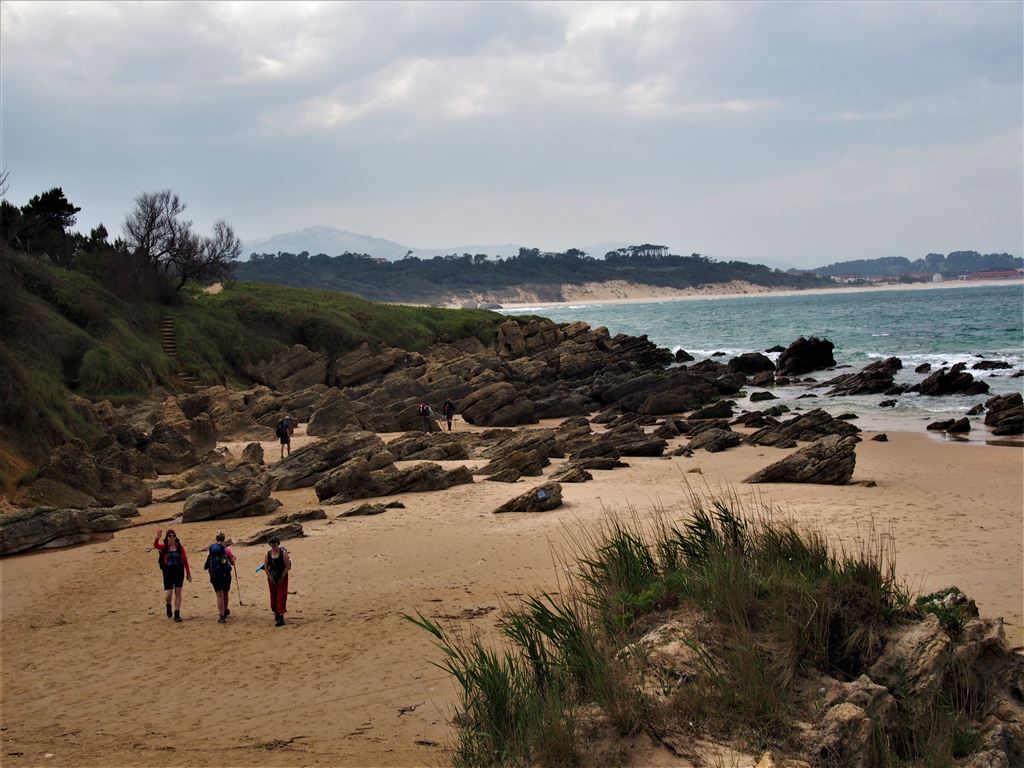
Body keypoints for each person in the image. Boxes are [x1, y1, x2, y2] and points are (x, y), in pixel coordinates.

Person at [154, 528, 192, 622]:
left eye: (173, 536)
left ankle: (177, 613)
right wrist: (157, 537)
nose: (172, 537)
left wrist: (188, 573)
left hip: (178, 571)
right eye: (170, 536)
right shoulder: (165, 547)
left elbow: (185, 561)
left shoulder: (179, 547)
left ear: (175, 537)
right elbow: (156, 545)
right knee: (169, 594)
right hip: (168, 572)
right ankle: (168, 606)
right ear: (167, 537)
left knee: (178, 591)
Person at [204, 532, 236, 623]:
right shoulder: (227, 550)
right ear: (224, 539)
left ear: (216, 539)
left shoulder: (212, 549)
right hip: (225, 574)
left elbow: (208, 561)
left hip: (215, 575)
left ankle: (222, 616)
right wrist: (232, 557)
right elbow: (232, 563)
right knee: (225, 593)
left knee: (219, 595)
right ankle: (225, 610)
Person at [264, 537, 292, 626]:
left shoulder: (283, 554)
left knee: (281, 597)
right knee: (273, 598)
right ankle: (276, 613)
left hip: (282, 577)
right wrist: (270, 578)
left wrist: (282, 577)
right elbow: (265, 567)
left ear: (278, 543)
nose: (273, 544)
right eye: (271, 543)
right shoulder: (268, 554)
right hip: (272, 578)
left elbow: (287, 566)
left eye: (275, 543)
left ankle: (281, 617)